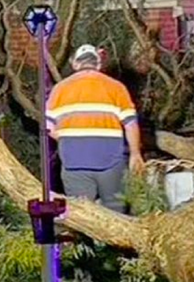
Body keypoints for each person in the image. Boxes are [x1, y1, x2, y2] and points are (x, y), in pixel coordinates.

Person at [46, 44, 144, 213]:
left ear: (75, 64)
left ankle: (85, 240)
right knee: (115, 212)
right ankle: (114, 239)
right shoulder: (116, 88)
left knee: (83, 214)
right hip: (111, 160)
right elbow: (130, 124)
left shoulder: (59, 89)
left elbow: (48, 128)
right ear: (98, 65)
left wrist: (69, 139)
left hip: (74, 162)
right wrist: (135, 154)